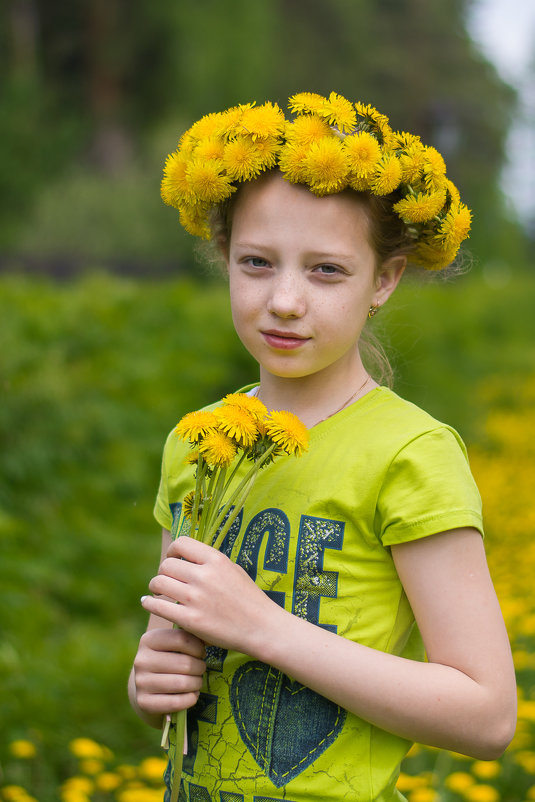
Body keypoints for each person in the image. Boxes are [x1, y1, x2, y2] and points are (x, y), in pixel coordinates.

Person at [128, 92, 516, 802]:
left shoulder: (410, 454)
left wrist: (262, 628)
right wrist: (150, 682)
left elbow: (486, 715)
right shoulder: (196, 441)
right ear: (222, 257)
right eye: (255, 262)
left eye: (325, 270)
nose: (283, 300)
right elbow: (175, 671)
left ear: (384, 279)